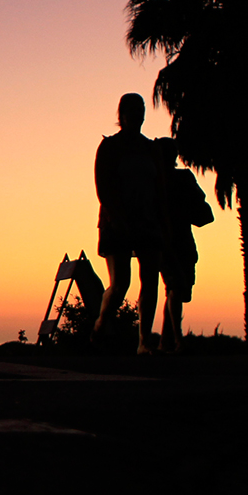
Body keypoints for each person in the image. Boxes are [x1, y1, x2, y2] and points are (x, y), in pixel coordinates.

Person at [92, 93, 164, 354]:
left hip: (148, 221)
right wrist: (117, 219)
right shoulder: (110, 147)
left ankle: (144, 341)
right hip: (117, 223)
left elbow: (161, 188)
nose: (138, 115)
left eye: (141, 109)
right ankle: (101, 322)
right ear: (121, 115)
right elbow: (104, 188)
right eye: (132, 110)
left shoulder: (150, 148)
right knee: (121, 283)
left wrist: (160, 219)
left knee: (150, 280)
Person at [153, 137, 214, 353]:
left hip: (181, 240)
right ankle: (176, 340)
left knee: (177, 290)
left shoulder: (180, 178)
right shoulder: (156, 180)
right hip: (165, 242)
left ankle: (166, 342)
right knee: (176, 287)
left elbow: (200, 204)